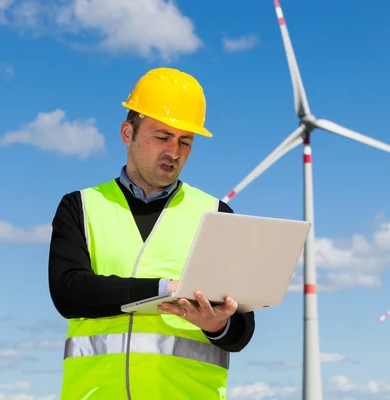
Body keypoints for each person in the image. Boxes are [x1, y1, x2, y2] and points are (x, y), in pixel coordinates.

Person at [48, 67, 256, 400]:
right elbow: (69, 292)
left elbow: (242, 329)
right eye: (162, 137)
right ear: (127, 132)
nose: (174, 151)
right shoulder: (81, 207)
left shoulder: (215, 215)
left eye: (185, 141)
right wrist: (166, 290)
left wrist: (217, 324)